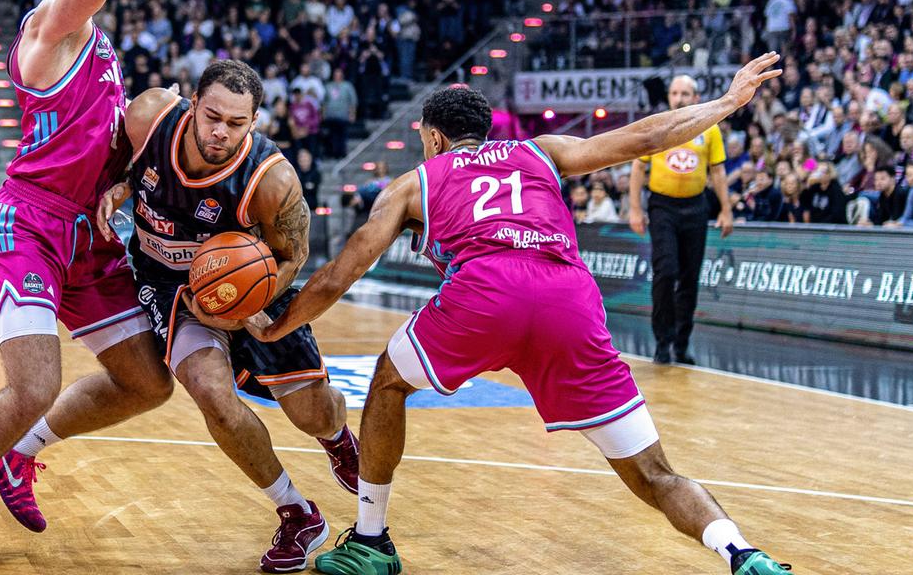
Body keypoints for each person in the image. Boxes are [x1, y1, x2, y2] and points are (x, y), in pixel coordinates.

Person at [251, 55, 791, 575]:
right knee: (654, 473)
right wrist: (727, 101)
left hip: (484, 295)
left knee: (389, 382)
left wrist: (278, 326)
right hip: (567, 301)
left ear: (433, 138)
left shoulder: (414, 183)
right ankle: (742, 553)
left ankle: (371, 540)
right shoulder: (542, 151)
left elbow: (339, 276)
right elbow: (645, 138)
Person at [0, 0, 186, 566]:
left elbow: (107, 145)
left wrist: (126, 179)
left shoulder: (102, 49)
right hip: (28, 224)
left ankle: (21, 453)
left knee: (148, 383)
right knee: (35, 385)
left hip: (89, 234)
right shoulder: (45, 28)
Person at [95, 61, 358, 573]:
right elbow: (125, 166)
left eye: (236, 123)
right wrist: (123, 187)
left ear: (254, 121)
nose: (221, 131)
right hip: (169, 283)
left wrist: (245, 305)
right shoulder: (148, 115)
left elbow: (294, 255)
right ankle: (297, 512)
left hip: (252, 281)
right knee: (211, 393)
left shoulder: (272, 179)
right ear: (192, 104)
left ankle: (337, 437)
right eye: (212, 117)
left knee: (312, 413)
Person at [627, 75, 734, 365]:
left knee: (689, 277)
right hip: (662, 206)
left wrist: (726, 210)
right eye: (674, 93)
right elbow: (637, 168)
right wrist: (635, 209)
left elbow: (718, 172)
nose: (679, 98)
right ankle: (662, 341)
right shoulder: (658, 125)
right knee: (666, 271)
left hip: (695, 207)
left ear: (696, 98)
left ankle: (681, 343)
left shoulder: (710, 128)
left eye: (685, 93)